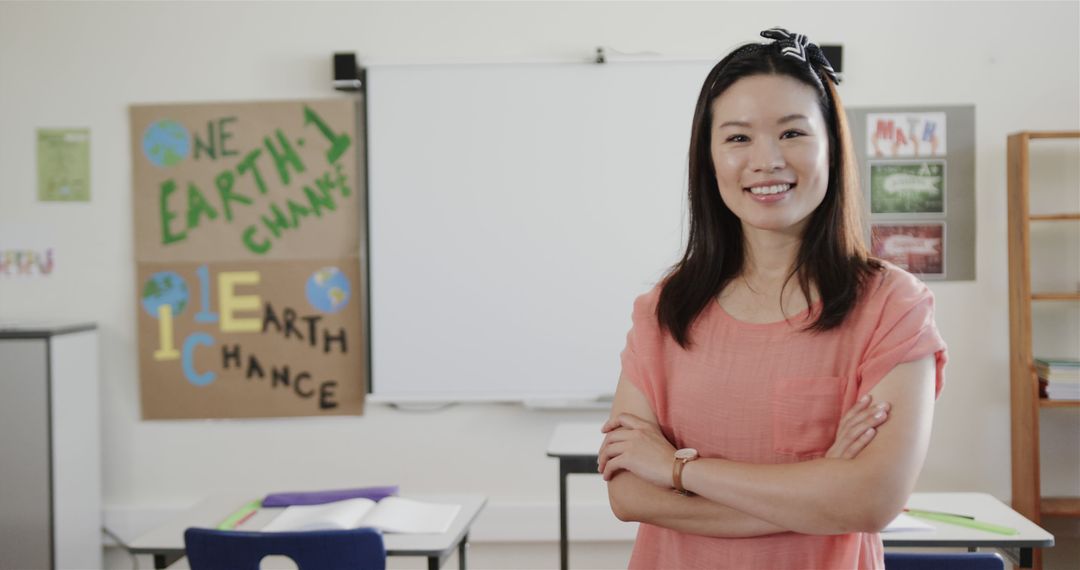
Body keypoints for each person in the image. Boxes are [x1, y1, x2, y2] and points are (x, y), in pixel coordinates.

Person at [598, 28, 947, 569]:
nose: (766, 161)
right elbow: (629, 496)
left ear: (832, 145)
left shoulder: (891, 305)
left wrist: (678, 472)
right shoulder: (666, 309)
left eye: (791, 133)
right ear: (708, 158)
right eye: (738, 138)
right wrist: (821, 490)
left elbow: (872, 500)